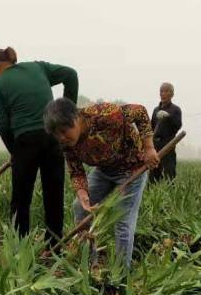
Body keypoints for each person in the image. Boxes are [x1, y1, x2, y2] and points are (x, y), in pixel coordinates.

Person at [43, 98, 159, 269]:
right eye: (56, 134)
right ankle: (91, 263)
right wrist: (82, 193)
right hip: (104, 171)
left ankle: (121, 273)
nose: (61, 138)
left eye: (64, 130)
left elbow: (140, 112)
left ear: (75, 119)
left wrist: (149, 148)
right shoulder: (66, 144)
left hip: (132, 169)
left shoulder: (106, 115)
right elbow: (76, 170)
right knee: (79, 208)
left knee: (123, 221)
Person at [0, 47, 78, 245]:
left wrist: (14, 151)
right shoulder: (38, 68)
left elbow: (2, 124)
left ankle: (21, 250)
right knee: (54, 195)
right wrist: (65, 115)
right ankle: (54, 246)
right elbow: (71, 75)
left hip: (25, 141)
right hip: (52, 137)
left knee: (21, 199)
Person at [149, 83, 182, 183]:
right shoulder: (156, 110)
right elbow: (151, 127)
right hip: (155, 145)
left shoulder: (175, 109)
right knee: (154, 173)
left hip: (168, 144)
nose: (163, 93)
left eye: (166, 91)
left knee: (169, 172)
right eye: (161, 91)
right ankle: (153, 193)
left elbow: (178, 126)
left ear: (172, 94)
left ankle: (171, 193)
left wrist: (168, 117)